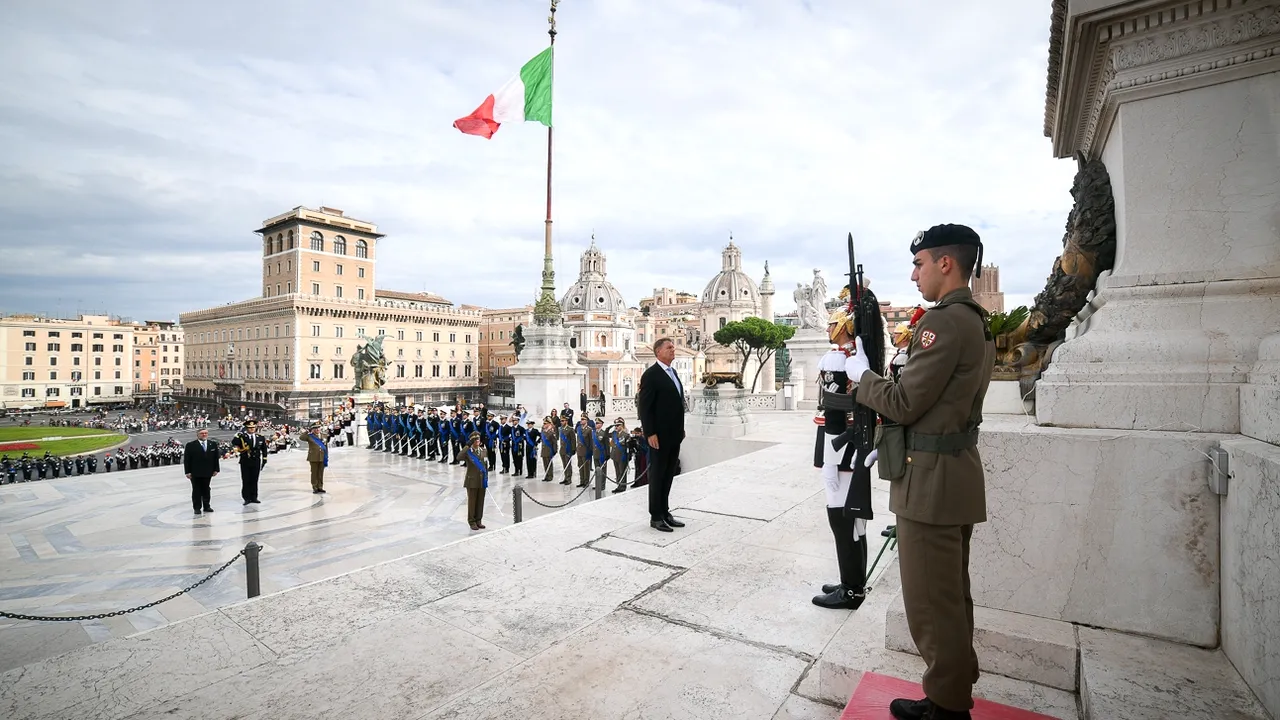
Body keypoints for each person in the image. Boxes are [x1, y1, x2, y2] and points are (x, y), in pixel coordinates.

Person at [850, 224, 996, 720]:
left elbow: (905, 401)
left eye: (919, 264)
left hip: (930, 483)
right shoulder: (974, 320)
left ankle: (947, 706)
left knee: (931, 602)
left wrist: (863, 378)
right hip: (952, 474)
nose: (914, 275)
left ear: (945, 263)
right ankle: (952, 688)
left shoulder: (944, 322)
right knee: (950, 595)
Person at [637, 337, 687, 532]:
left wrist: (681, 429)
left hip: (675, 435)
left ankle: (665, 512)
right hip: (658, 436)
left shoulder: (673, 373)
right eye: (669, 347)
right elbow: (645, 407)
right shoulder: (651, 375)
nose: (673, 349)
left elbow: (677, 404)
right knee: (657, 476)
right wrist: (650, 432)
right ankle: (656, 516)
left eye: (673, 347)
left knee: (668, 474)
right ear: (658, 352)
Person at [183, 428, 220, 517]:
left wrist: (216, 469)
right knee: (196, 490)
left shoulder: (212, 444)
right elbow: (187, 459)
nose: (204, 435)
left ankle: (207, 506)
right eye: (202, 433)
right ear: (197, 435)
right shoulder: (190, 445)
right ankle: (197, 508)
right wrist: (187, 471)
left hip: (208, 471)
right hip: (195, 472)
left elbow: (216, 458)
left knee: (206, 489)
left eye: (205, 433)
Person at [232, 420, 268, 505]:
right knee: (246, 480)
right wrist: (237, 435)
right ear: (246, 428)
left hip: (256, 461)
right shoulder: (242, 436)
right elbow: (234, 442)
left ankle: (254, 497)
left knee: (255, 479)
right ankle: (246, 498)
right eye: (250, 428)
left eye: (253, 427)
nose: (252, 429)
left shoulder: (260, 437)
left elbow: (264, 448)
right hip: (245, 461)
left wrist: (264, 459)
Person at [462, 431, 488, 531]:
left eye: (478, 439)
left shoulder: (484, 450)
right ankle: (471, 521)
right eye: (475, 439)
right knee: (472, 502)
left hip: (482, 480)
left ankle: (478, 520)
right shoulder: (468, 452)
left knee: (480, 501)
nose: (477, 441)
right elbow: (459, 457)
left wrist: (486, 478)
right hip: (472, 480)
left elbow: (485, 465)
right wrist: (467, 446)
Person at [300, 422, 329, 494]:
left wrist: (326, 456)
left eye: (318, 428)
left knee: (320, 473)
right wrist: (307, 431)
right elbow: (301, 438)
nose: (317, 429)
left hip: (322, 457)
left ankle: (320, 487)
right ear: (312, 429)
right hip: (313, 457)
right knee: (314, 473)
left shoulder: (324, 435)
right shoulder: (309, 436)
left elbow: (326, 447)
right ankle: (315, 487)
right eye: (315, 428)